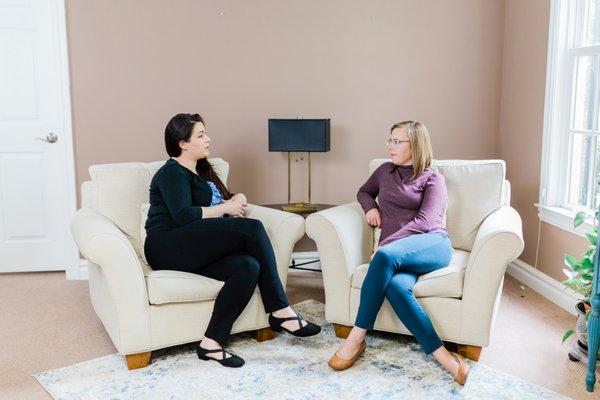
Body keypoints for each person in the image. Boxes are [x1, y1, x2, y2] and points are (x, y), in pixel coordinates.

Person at [144, 113, 321, 368]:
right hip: (166, 246)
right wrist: (224, 208)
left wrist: (235, 198)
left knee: (247, 267)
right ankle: (280, 311)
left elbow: (223, 198)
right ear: (182, 143)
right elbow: (183, 216)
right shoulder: (171, 173)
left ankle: (211, 343)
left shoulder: (203, 169)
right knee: (252, 229)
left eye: (206, 133)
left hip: (194, 248)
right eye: (201, 135)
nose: (208, 139)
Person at [327, 120, 469, 385]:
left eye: (397, 141)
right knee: (394, 287)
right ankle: (444, 356)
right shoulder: (384, 171)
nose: (390, 146)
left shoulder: (432, 179)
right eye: (390, 140)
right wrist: (371, 207)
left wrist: (385, 245)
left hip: (432, 244)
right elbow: (364, 192)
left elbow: (426, 222)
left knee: (383, 257)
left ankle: (356, 339)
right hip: (399, 253)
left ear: (415, 145)